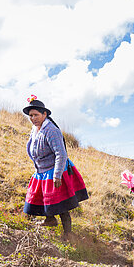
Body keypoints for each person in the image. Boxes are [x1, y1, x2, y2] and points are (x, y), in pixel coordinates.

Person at [21, 96, 89, 237]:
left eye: (36, 115)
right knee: (45, 199)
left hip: (55, 171)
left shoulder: (51, 130)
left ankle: (68, 234)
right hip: (42, 171)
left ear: (44, 114)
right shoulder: (35, 130)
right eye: (31, 116)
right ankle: (50, 220)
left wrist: (57, 175)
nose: (33, 118)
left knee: (62, 204)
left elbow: (61, 154)